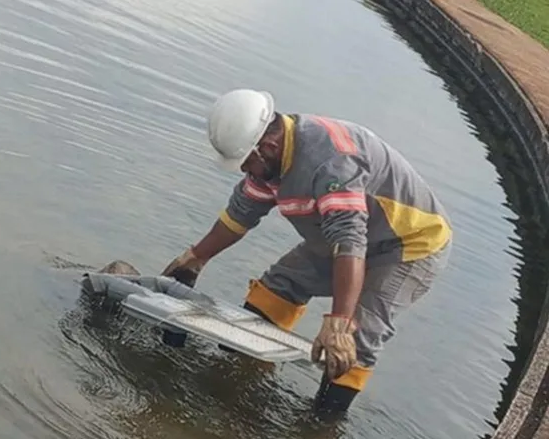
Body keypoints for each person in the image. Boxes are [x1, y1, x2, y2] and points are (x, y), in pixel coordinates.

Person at [160, 89, 452, 414]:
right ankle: (239, 384)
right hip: (343, 236)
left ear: (266, 147)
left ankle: (318, 433)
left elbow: (350, 242)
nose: (246, 172)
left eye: (247, 164)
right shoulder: (271, 161)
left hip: (406, 245)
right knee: (275, 291)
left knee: (354, 340)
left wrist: (339, 323)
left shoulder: (331, 163)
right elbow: (239, 215)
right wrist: (195, 257)